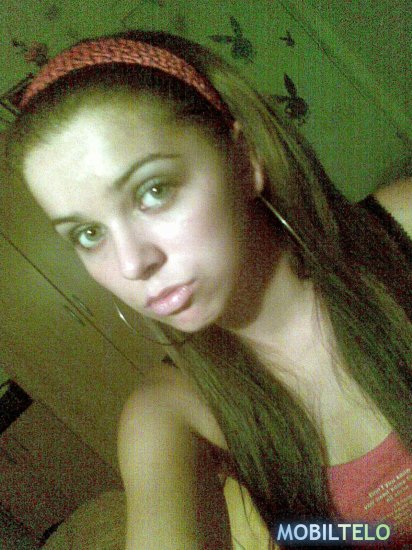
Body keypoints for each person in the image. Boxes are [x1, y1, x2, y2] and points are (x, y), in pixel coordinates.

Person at [4, 30, 411, 549]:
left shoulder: (403, 231)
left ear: (245, 160)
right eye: (88, 234)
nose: (131, 263)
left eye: (153, 191)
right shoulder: (170, 414)